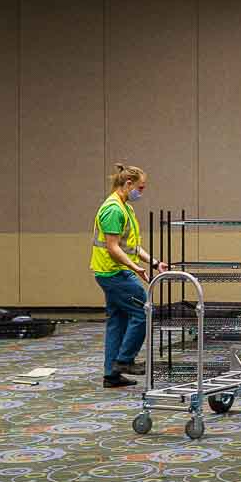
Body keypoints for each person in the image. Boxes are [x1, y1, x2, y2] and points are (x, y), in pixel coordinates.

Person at [92, 163, 164, 388]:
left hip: (114, 271)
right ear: (128, 184)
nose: (141, 192)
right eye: (140, 188)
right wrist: (135, 268)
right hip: (114, 272)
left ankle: (111, 375)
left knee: (118, 321)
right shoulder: (113, 209)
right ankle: (125, 360)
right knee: (143, 311)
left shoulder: (125, 207)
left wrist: (154, 262)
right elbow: (113, 248)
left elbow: (131, 246)